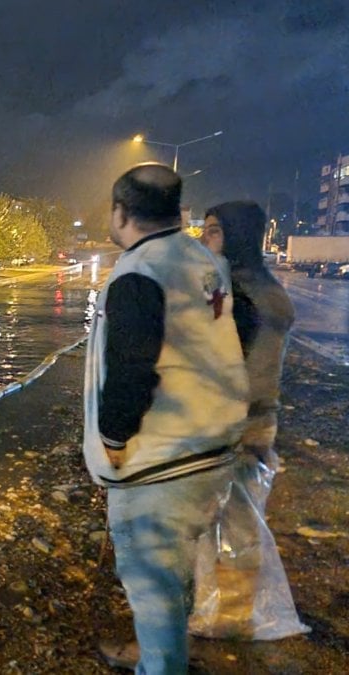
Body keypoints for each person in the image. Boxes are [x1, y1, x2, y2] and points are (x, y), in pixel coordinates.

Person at [84, 164, 249, 673]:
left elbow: (132, 368)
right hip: (212, 450)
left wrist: (112, 440)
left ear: (120, 212)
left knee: (153, 590)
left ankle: (160, 663)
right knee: (173, 579)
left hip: (161, 464)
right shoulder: (203, 259)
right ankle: (163, 657)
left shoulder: (139, 271)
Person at [189, 202, 306, 640]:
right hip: (254, 425)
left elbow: (214, 365)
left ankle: (222, 620)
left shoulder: (236, 294)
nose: (205, 239)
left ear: (236, 237)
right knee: (237, 525)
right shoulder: (265, 288)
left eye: (215, 231)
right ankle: (228, 614)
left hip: (230, 428)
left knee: (221, 525)